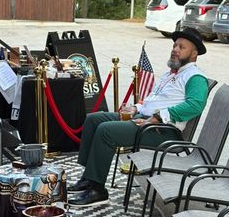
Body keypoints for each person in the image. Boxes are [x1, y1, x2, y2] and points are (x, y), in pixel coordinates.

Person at [68, 29, 209, 207]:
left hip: (163, 131)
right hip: (146, 120)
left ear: (194, 53)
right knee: (94, 119)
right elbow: (153, 100)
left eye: (182, 47)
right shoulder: (171, 74)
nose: (175, 49)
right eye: (174, 45)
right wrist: (136, 107)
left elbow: (195, 105)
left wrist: (158, 117)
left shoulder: (194, 77)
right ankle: (89, 178)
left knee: (106, 131)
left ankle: (98, 190)